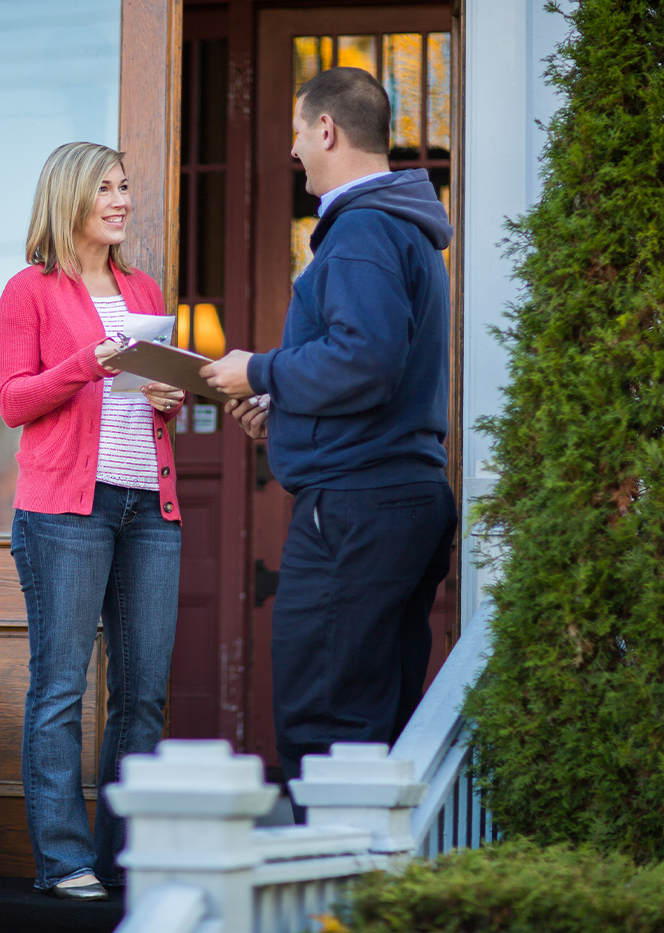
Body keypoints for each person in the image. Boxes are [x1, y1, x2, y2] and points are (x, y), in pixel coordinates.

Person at [201, 67, 458, 813]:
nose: (293, 152)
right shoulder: (400, 229)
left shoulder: (363, 231)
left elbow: (364, 360)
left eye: (296, 133)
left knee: (326, 722)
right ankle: (377, 877)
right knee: (374, 722)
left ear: (326, 130)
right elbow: (374, 368)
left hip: (356, 508)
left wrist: (258, 370)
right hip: (395, 499)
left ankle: (336, 883)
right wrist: (282, 407)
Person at [0, 141, 185, 899]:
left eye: (124, 186)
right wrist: (91, 363)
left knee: (143, 695)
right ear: (69, 197)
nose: (121, 200)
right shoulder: (29, 291)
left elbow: (146, 399)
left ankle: (122, 857)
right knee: (60, 690)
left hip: (148, 506)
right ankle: (65, 861)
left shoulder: (143, 288)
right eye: (105, 188)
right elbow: (14, 401)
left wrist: (168, 395)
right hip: (66, 512)